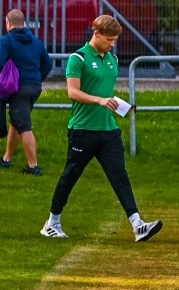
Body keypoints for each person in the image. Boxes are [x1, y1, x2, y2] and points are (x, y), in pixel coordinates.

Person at [39, 15, 162, 242]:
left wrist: (117, 104)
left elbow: (104, 92)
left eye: (114, 40)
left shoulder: (112, 59)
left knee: (120, 175)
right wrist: (99, 100)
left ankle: (137, 224)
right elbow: (72, 92)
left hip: (108, 129)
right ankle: (52, 222)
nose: (112, 44)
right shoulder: (78, 58)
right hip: (83, 130)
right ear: (96, 34)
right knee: (71, 175)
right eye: (109, 39)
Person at [0, 8, 54, 176]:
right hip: (35, 87)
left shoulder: (6, 41)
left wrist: (1, 82)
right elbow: (48, 64)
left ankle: (33, 166)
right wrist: (36, 78)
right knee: (16, 121)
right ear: (24, 23)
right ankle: (6, 159)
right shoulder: (36, 41)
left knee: (24, 126)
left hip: (17, 89)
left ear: (8, 23)